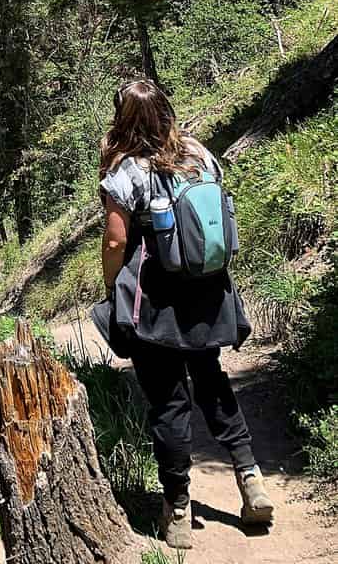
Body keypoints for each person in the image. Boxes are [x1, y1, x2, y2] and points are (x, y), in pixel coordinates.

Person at [97, 78, 274, 551]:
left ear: (124, 119)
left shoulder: (125, 171)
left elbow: (116, 241)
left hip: (156, 305)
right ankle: (250, 478)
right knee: (214, 385)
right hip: (209, 292)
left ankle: (177, 508)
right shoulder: (199, 153)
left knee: (169, 402)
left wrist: (112, 285)